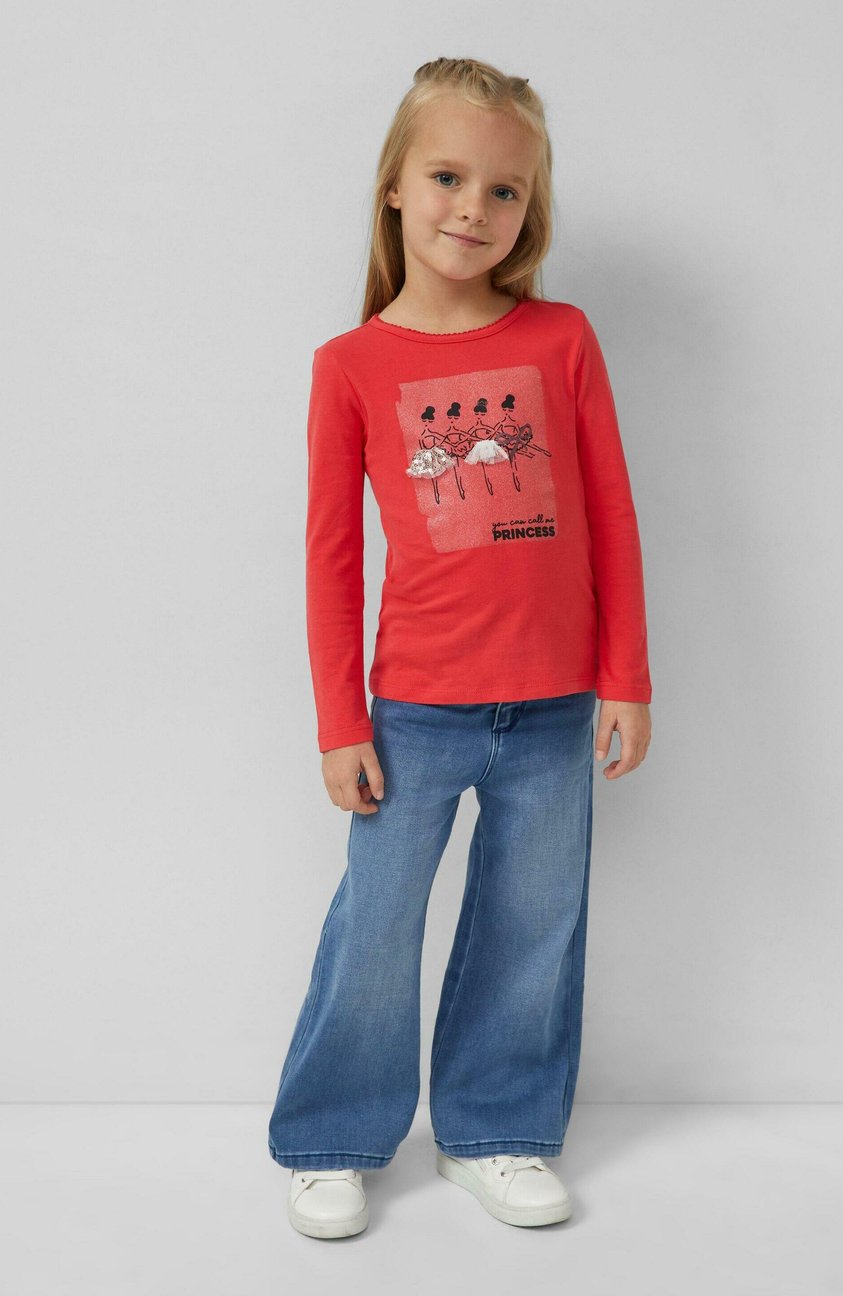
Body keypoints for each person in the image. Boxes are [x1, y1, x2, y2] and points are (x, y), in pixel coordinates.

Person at [267, 55, 653, 1239]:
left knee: (534, 926)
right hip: (414, 713)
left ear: (531, 210)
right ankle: (332, 1137)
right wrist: (340, 721)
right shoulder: (351, 367)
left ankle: (494, 1131)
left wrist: (626, 677)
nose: (473, 210)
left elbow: (611, 511)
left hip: (555, 707)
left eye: (505, 191)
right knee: (375, 929)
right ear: (394, 183)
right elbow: (331, 558)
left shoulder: (562, 339)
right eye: (447, 177)